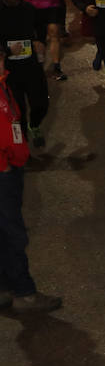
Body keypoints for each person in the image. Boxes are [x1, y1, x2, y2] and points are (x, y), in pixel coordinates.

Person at [0, 61, 61, 313]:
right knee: (14, 234)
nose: (3, 61)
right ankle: (24, 294)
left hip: (9, 167)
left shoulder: (4, 84)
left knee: (4, 233)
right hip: (3, 173)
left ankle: (4, 288)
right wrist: (5, 164)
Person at [0, 0, 48, 147]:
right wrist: (7, 50)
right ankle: (24, 144)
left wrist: (40, 41)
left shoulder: (28, 8)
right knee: (18, 108)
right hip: (10, 69)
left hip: (31, 64)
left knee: (41, 103)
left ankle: (34, 125)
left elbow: (41, 26)